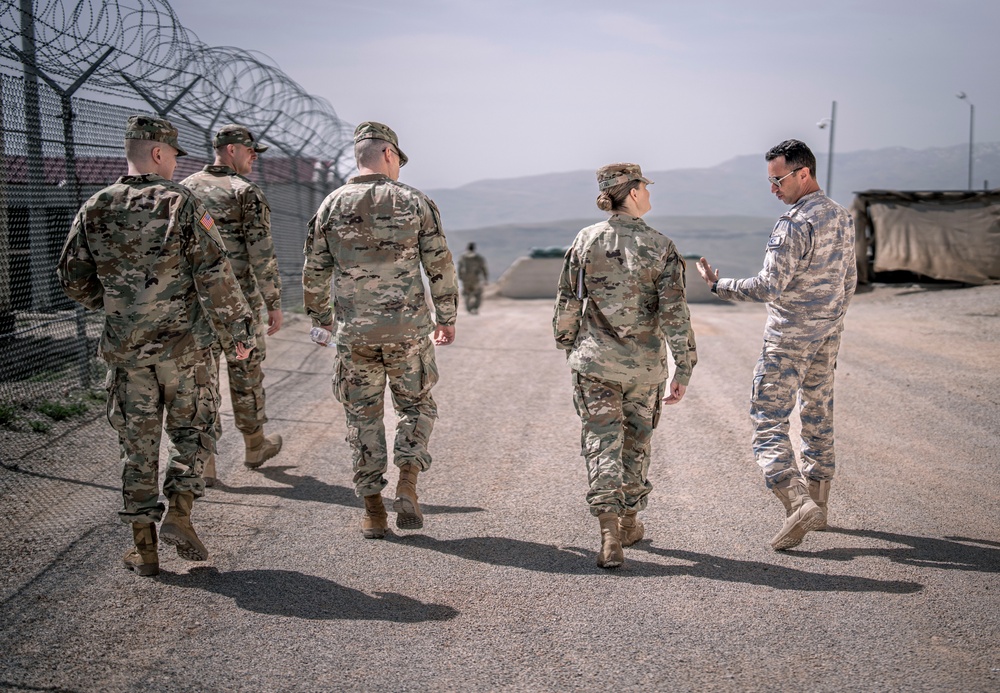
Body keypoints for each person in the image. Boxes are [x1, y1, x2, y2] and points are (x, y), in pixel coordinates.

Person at [56, 115, 255, 577]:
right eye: (173, 156)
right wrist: (238, 335)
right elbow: (215, 275)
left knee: (137, 446)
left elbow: (71, 277)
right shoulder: (183, 203)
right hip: (184, 348)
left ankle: (143, 548)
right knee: (192, 434)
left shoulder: (97, 205)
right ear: (161, 154)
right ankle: (180, 513)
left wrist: (120, 306)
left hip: (127, 351)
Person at [695, 139, 856, 551]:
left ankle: (798, 502)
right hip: (827, 334)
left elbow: (769, 286)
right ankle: (819, 506)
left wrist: (719, 285)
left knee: (767, 421)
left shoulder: (795, 223)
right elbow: (850, 280)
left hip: (788, 339)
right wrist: (830, 318)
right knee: (818, 411)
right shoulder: (841, 217)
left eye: (778, 179)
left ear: (804, 173)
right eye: (770, 180)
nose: (773, 189)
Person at [302, 121, 458, 539]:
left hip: (355, 335)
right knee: (417, 406)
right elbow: (439, 265)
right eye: (398, 161)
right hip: (407, 331)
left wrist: (321, 320)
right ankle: (407, 482)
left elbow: (314, 270)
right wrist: (447, 316)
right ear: (388, 154)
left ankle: (373, 510)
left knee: (362, 417)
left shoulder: (330, 205)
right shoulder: (413, 202)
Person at [553, 163, 697, 569]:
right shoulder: (660, 246)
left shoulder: (586, 240)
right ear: (632, 193)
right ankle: (630, 520)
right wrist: (683, 367)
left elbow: (568, 300)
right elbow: (675, 314)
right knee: (636, 444)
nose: (649, 194)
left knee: (601, 442)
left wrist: (569, 344)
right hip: (643, 369)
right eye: (645, 188)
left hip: (595, 363)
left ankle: (608, 533)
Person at [181, 124, 284, 483]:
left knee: (202, 380)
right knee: (245, 372)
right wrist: (273, 302)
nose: (254, 156)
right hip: (238, 307)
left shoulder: (185, 190)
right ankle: (254, 445)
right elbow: (262, 254)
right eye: (250, 150)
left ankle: (206, 462)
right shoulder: (244, 192)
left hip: (197, 307)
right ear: (230, 150)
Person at [457, 242, 488, 314]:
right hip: (475, 278)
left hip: (466, 279)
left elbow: (459, 267)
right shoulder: (478, 258)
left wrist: (460, 277)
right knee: (478, 293)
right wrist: (485, 278)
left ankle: (468, 308)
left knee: (467, 294)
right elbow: (483, 268)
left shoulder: (463, 257)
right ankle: (475, 307)